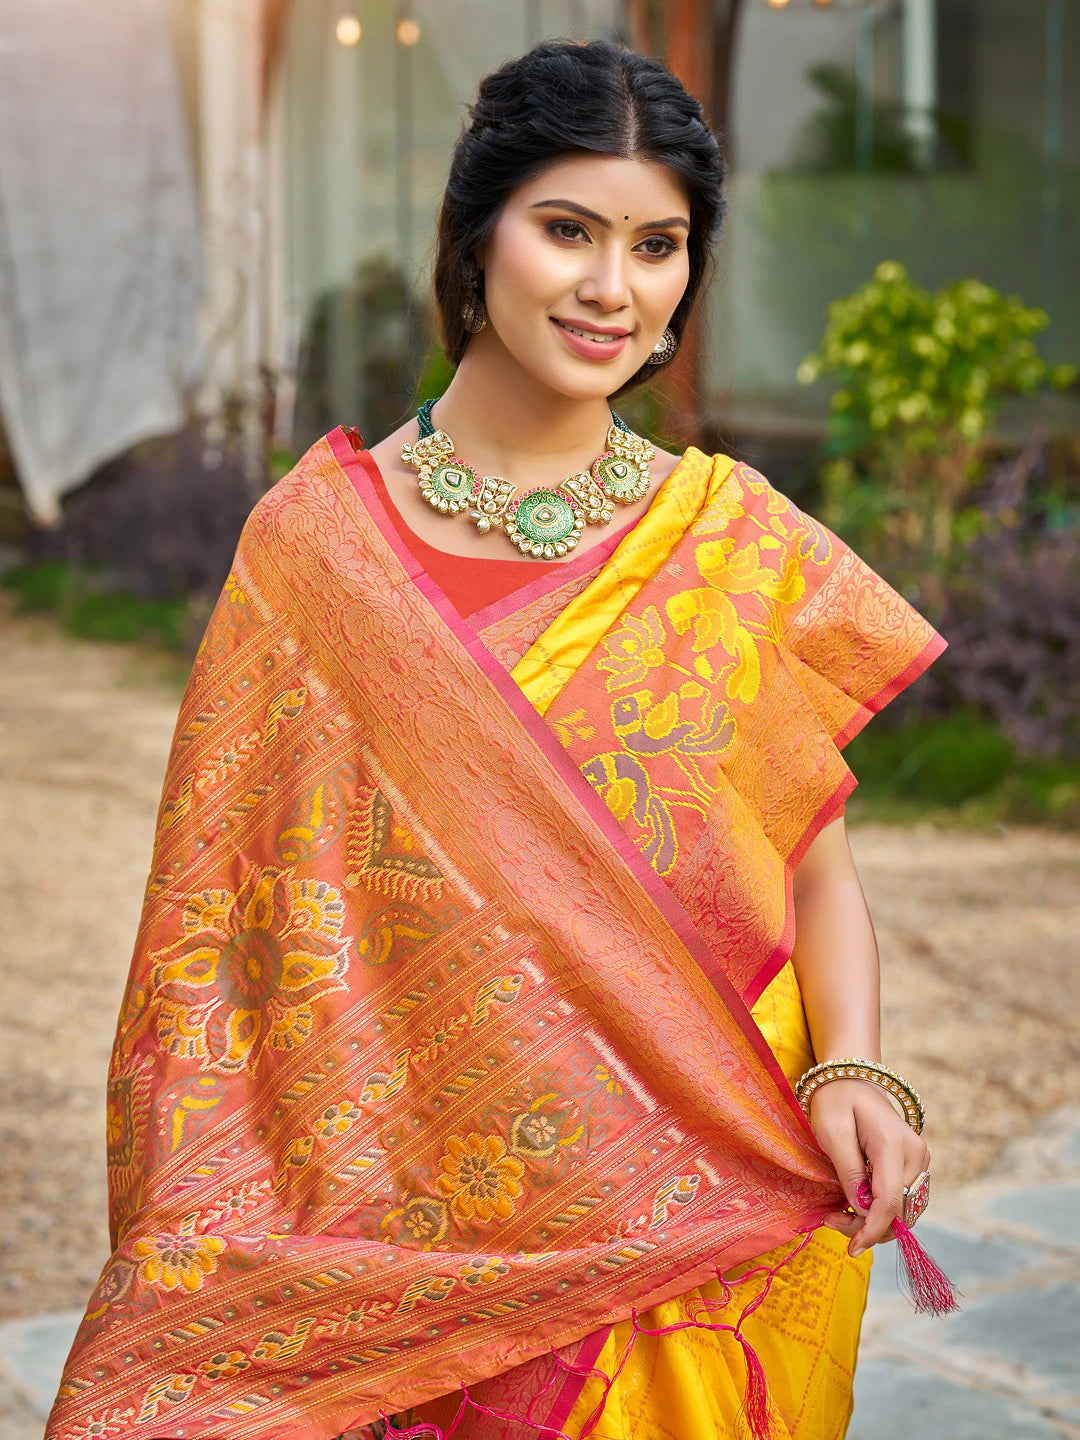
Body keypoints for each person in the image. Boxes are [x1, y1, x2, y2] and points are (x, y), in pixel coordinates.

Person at [47, 39, 948, 1440]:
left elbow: (816, 869)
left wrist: (852, 1071)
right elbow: (221, 934)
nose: (612, 287)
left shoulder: (733, 545)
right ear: (478, 237)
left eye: (659, 246)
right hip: (381, 1214)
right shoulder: (317, 551)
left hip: (691, 1196)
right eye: (569, 229)